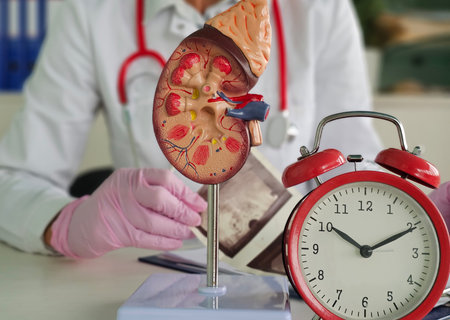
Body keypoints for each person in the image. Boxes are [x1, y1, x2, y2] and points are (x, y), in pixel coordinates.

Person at [0, 0, 400, 258]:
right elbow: (12, 180)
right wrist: (64, 223)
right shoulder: (93, 13)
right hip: (147, 274)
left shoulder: (320, 10)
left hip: (299, 266)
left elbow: (354, 166)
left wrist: (398, 220)